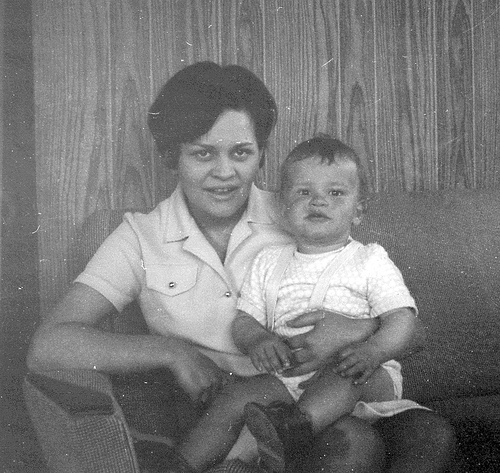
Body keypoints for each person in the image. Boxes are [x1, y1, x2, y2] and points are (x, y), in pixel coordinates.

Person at [27, 61, 455, 473]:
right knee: (351, 442)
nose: (224, 172)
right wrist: (171, 351)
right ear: (172, 156)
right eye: (203, 153)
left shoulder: (302, 211)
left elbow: (409, 328)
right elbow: (49, 345)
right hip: (221, 413)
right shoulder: (140, 237)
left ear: (261, 155)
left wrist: (355, 330)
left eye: (241, 152)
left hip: (321, 394)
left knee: (356, 441)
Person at [175, 135, 426, 472]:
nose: (318, 201)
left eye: (335, 193)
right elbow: (245, 320)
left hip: (362, 374)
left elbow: (402, 318)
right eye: (304, 192)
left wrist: (374, 351)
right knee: (236, 396)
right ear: (283, 208)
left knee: (342, 375)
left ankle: (291, 434)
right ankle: (179, 465)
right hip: (290, 382)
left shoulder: (370, 259)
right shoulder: (268, 261)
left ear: (359, 211)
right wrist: (258, 340)